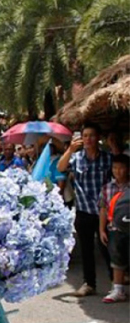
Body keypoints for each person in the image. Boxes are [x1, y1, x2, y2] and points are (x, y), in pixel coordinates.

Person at [57, 123, 112, 297]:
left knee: (108, 248)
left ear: (98, 138)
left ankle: (115, 283)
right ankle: (89, 284)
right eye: (85, 135)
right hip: (83, 210)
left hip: (104, 210)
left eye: (92, 135)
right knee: (87, 249)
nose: (88, 139)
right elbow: (60, 167)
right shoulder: (76, 157)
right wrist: (70, 150)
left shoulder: (107, 158)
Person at [98, 155, 130, 303]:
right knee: (116, 258)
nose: (118, 171)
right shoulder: (107, 188)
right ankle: (118, 289)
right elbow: (103, 209)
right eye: (115, 168)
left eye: (121, 168)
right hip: (114, 229)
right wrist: (102, 229)